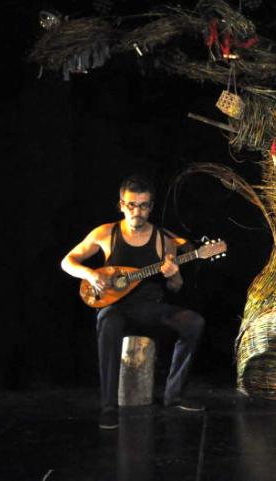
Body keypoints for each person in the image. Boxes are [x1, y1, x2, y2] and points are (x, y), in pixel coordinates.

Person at [61, 175, 206, 430]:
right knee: (106, 319)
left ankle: (174, 395)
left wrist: (174, 275)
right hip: (118, 309)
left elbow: (176, 287)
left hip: (153, 308)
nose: (137, 212)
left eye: (143, 205)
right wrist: (92, 274)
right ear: (121, 204)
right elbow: (68, 261)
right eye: (131, 205)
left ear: (150, 206)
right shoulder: (106, 233)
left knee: (194, 322)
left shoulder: (164, 240)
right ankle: (108, 407)